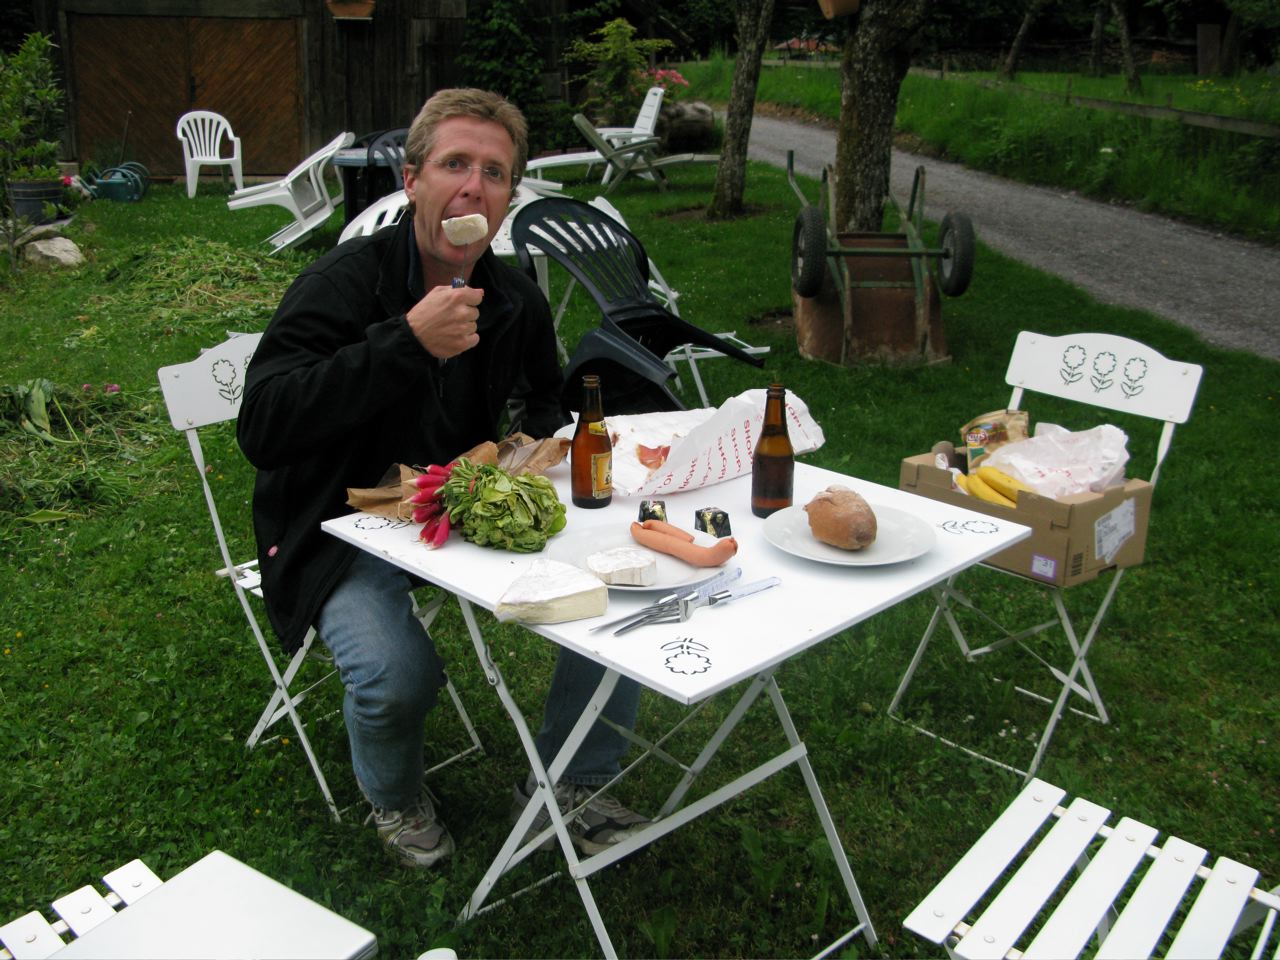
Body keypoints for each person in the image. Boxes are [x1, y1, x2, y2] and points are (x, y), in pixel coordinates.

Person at [237, 88, 647, 868]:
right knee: (397, 674)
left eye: (494, 173)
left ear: (508, 197)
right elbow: (262, 425)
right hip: (339, 526)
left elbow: (543, 399)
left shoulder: (513, 298)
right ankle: (395, 799)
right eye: (455, 164)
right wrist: (406, 341)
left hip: (458, 512)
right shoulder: (344, 283)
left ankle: (575, 780)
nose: (473, 187)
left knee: (618, 590)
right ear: (412, 180)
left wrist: (524, 450)